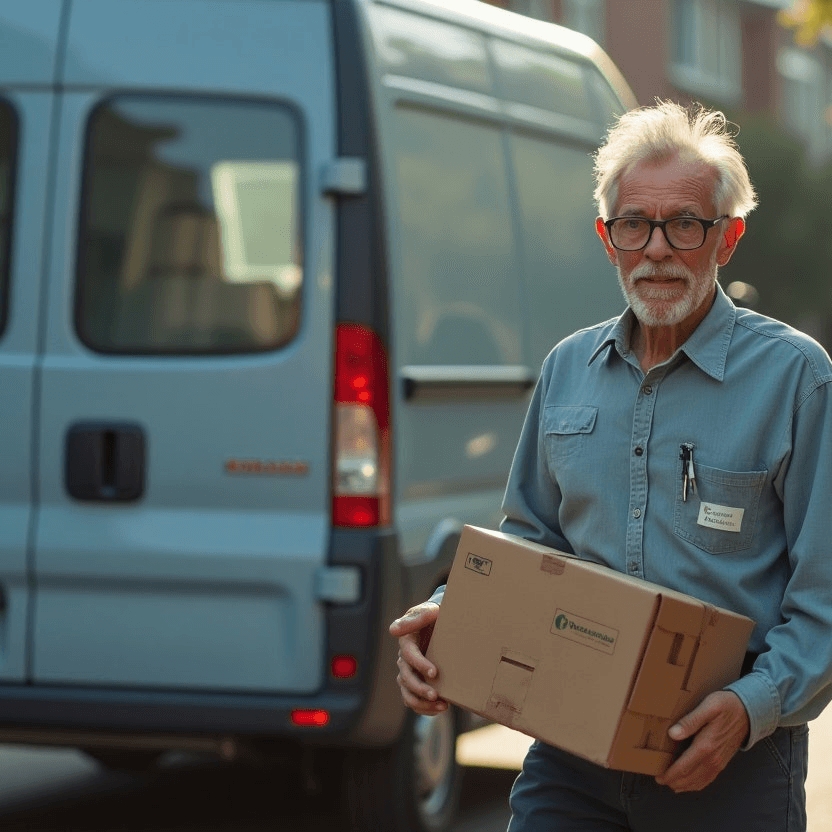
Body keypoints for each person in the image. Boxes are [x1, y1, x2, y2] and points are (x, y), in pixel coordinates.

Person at [390, 101, 832, 832]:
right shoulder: (569, 368)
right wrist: (455, 617)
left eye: (685, 223)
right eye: (634, 224)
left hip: (727, 761)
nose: (657, 249)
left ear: (727, 239)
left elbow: (825, 597)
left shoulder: (797, 379)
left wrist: (750, 708)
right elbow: (530, 545)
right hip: (571, 757)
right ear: (608, 239)